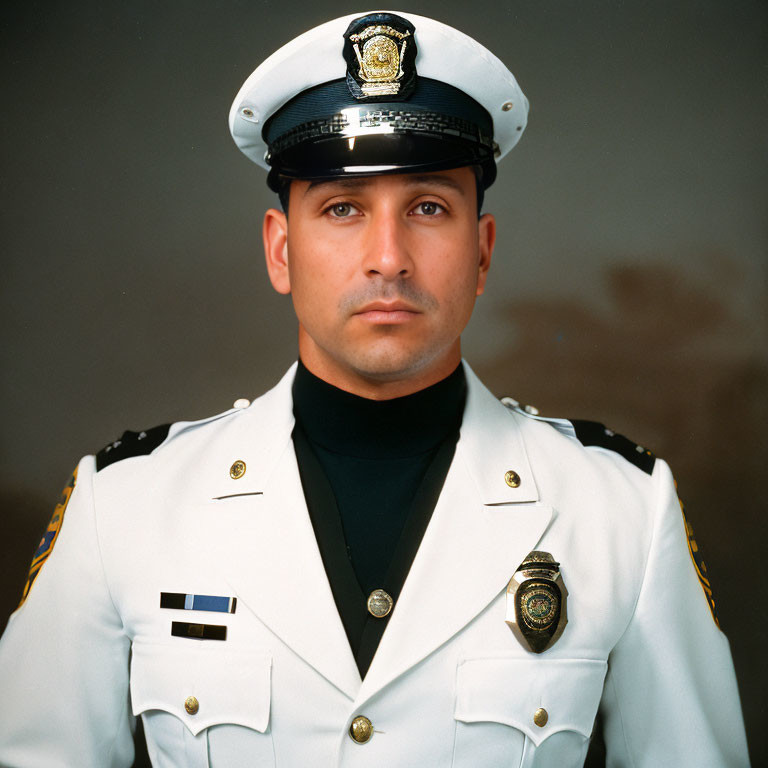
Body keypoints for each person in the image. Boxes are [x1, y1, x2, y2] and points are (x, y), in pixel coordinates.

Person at [0, 10, 750, 768]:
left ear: (482, 252)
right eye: (342, 209)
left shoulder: (618, 510)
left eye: (428, 208)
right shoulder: (125, 508)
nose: (387, 257)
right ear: (281, 250)